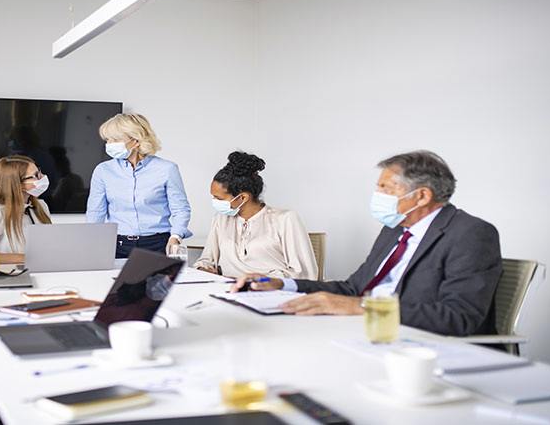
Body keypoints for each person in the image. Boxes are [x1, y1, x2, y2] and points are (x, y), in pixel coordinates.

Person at [231, 150, 503, 337]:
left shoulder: (471, 234)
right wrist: (282, 283)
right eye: (378, 187)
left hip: (423, 347)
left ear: (421, 196)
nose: (377, 195)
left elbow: (458, 317)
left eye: (386, 188)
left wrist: (361, 307)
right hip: (366, 333)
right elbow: (353, 288)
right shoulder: (394, 230)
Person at [194, 151, 318, 280]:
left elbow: (304, 273)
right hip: (229, 291)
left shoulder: (285, 219)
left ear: (243, 197)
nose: (214, 201)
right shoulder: (221, 219)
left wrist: (255, 280)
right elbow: (207, 260)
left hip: (270, 293)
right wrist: (203, 268)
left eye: (218, 198)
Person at [86, 113, 192, 257]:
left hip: (158, 244)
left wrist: (175, 237)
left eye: (115, 139)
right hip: (118, 245)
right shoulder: (103, 171)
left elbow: (181, 209)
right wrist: (92, 244)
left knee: (157, 280)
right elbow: (95, 213)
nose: (109, 144)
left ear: (136, 140)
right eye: (107, 139)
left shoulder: (167, 169)